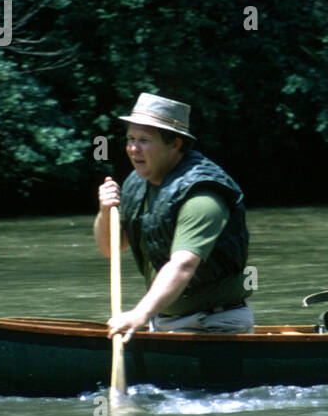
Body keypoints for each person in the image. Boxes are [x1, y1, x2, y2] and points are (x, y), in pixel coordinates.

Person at [95, 92, 254, 338]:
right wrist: (106, 213)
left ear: (175, 143)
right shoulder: (136, 182)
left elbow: (183, 264)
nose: (133, 148)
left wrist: (140, 313)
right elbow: (110, 248)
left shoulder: (203, 193)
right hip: (162, 320)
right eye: (130, 139)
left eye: (144, 140)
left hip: (213, 324)